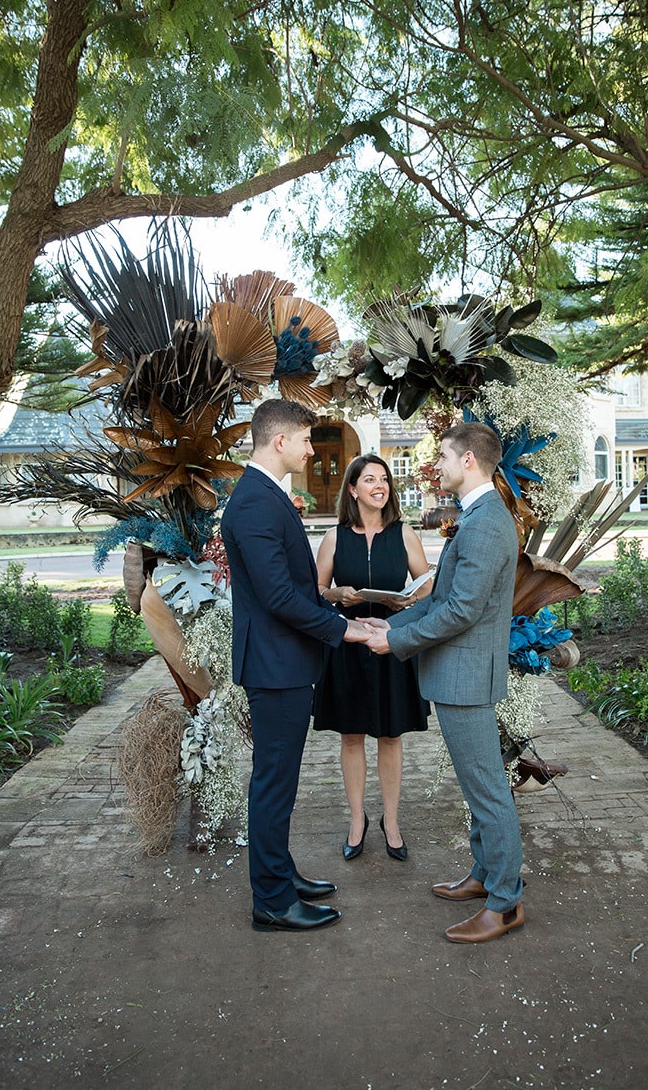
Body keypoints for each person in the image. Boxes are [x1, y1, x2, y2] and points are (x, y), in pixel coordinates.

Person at [361, 421, 525, 944]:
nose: (439, 465)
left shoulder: (484, 523)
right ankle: (483, 876)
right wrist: (394, 624)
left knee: (488, 791)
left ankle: (505, 902)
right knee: (479, 787)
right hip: (460, 675)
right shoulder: (478, 516)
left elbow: (461, 611)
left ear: (470, 461)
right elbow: (442, 597)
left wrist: (398, 643)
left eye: (446, 457)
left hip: (467, 678)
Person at [221, 398, 370, 933]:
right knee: (273, 783)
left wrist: (334, 605)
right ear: (279, 441)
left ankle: (280, 874)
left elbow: (291, 587)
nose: (312, 450)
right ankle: (272, 901)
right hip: (274, 666)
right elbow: (280, 596)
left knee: (279, 780)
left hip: (283, 662)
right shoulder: (256, 503)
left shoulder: (266, 495)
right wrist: (344, 628)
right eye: (306, 440)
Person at [313, 455, 433, 862]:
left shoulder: (404, 534)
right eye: (370, 480)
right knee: (350, 735)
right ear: (353, 489)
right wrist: (338, 595)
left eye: (384, 480)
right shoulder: (334, 537)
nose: (380, 486)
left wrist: (408, 603)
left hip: (392, 644)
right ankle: (357, 819)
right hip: (346, 645)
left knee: (390, 734)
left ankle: (392, 821)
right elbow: (317, 591)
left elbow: (427, 587)